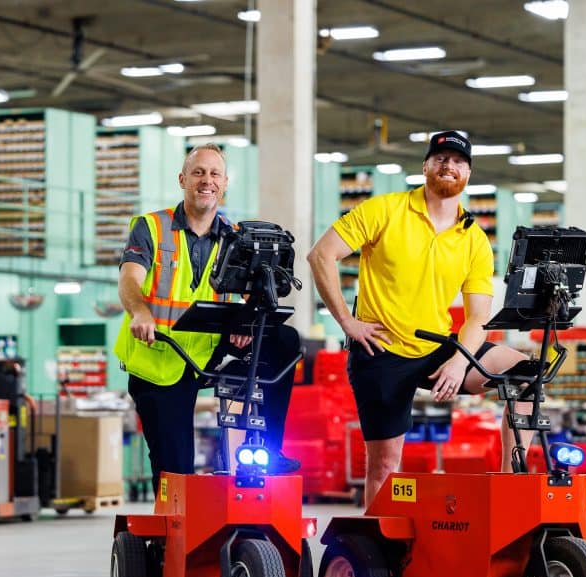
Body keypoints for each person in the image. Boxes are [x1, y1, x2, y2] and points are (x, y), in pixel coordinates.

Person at [307, 130, 530, 505]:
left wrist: (459, 363)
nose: (449, 166)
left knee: (526, 374)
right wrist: (347, 321)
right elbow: (321, 255)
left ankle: (511, 485)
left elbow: (478, 317)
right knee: (385, 465)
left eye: (458, 162)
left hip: (437, 348)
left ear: (468, 174)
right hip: (380, 350)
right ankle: (375, 554)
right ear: (426, 166)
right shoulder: (385, 209)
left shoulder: (473, 238)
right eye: (441, 159)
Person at [115, 143, 301, 495]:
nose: (207, 181)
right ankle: (168, 540)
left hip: (209, 354)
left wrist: (246, 325)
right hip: (160, 358)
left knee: (284, 340)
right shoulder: (151, 227)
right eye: (198, 173)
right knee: (176, 471)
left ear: (225, 183)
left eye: (215, 174)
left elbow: (249, 293)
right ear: (183, 179)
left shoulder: (236, 236)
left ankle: (270, 449)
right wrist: (140, 311)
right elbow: (129, 279)